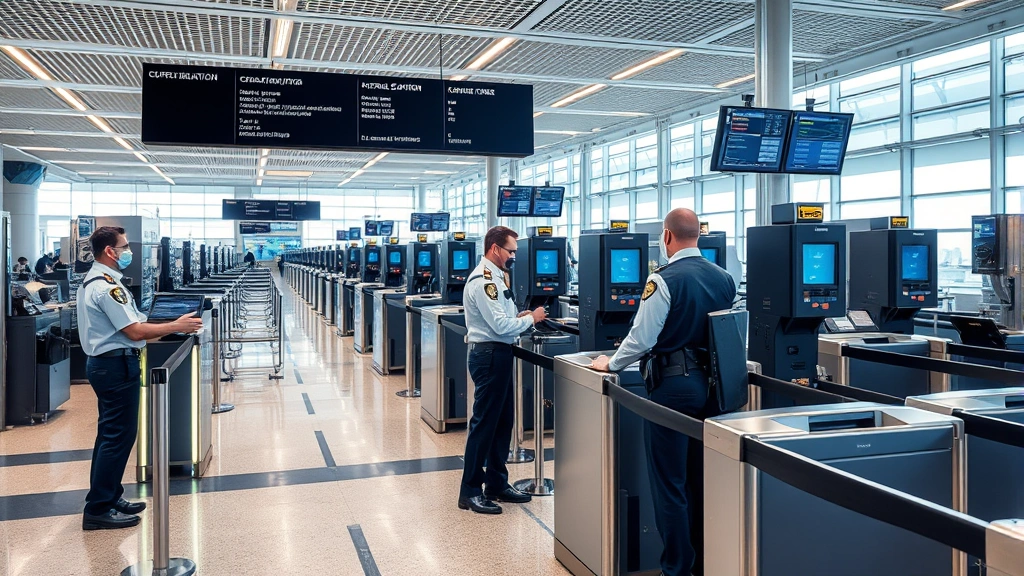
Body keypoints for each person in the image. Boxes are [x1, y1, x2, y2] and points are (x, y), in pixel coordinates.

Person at [590, 208, 736, 576]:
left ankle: (676, 568)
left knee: (670, 483)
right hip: (712, 387)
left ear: (668, 237)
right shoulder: (724, 278)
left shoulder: (663, 279)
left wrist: (612, 363)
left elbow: (642, 337)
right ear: (697, 236)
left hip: (673, 388)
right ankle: (706, 562)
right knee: (701, 479)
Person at [77, 226, 204, 530]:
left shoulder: (100, 280)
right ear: (110, 251)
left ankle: (108, 495)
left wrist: (168, 324)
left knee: (110, 435)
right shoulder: (107, 287)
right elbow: (133, 331)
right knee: (117, 437)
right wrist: (176, 325)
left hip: (107, 364)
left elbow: (135, 322)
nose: (127, 252)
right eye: (123, 247)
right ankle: (98, 508)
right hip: (115, 367)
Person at [458, 226, 547, 515]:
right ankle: (470, 491)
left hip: (500, 353)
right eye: (511, 251)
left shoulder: (497, 277)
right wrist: (531, 319)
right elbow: (499, 327)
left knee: (502, 423)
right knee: (484, 425)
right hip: (489, 355)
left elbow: (503, 318)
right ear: (495, 248)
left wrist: (518, 317)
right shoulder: (484, 282)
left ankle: (496, 483)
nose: (513, 257)